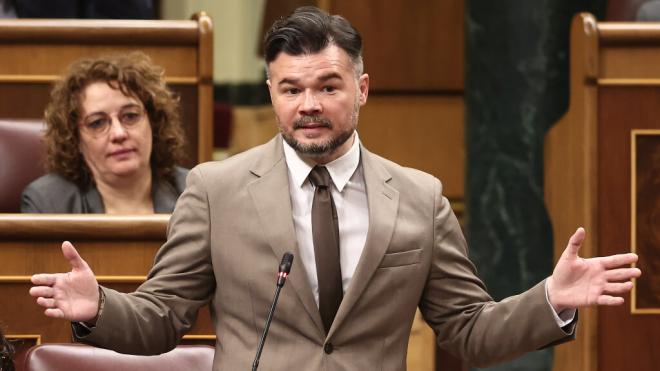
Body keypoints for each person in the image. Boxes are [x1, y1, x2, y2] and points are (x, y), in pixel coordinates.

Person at [29, 6, 641, 370]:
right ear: (271, 94)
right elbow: (164, 318)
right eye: (292, 89)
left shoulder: (420, 197)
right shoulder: (215, 190)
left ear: (363, 88)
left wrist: (551, 300)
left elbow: (466, 330)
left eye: (328, 85)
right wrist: (99, 307)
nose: (309, 106)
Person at [21, 52, 188, 214]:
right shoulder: (49, 203)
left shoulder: (194, 194)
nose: (119, 133)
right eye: (97, 123)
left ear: (153, 121)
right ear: (75, 139)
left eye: (130, 116)